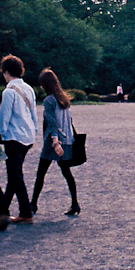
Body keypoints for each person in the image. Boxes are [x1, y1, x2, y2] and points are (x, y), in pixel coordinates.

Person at [0, 55, 38, 231]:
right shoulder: (29, 89)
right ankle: (3, 205)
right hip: (27, 136)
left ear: (6, 71)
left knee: (16, 174)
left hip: (14, 137)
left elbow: (4, 118)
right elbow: (34, 114)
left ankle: (26, 213)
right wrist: (34, 132)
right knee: (14, 172)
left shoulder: (9, 92)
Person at [30, 69, 80, 217]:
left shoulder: (49, 101)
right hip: (66, 140)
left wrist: (54, 142)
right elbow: (69, 122)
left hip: (54, 142)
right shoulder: (64, 99)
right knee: (67, 173)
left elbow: (52, 124)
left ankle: (33, 204)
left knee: (41, 174)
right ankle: (75, 203)